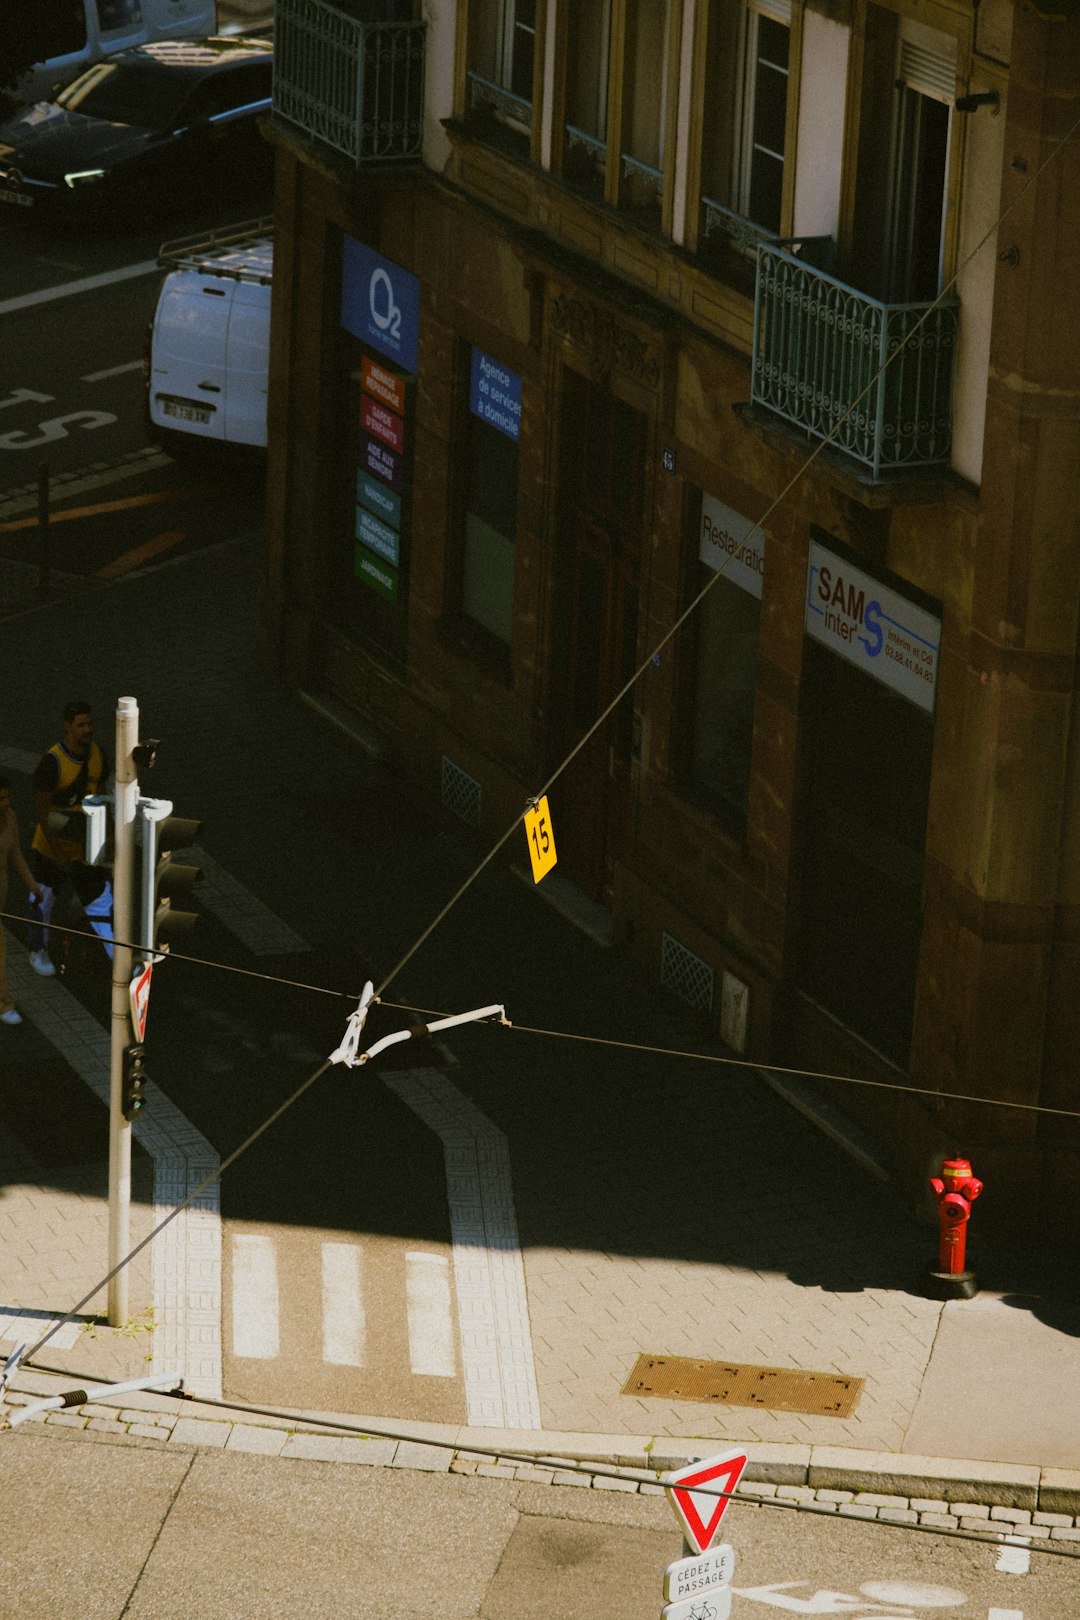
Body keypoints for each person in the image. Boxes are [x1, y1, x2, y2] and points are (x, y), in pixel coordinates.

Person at [27, 700, 113, 976]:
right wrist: (58, 853)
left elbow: (102, 798)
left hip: (86, 846)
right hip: (52, 850)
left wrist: (109, 837)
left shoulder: (99, 754)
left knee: (100, 898)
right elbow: (42, 813)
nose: (88, 729)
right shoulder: (52, 762)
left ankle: (117, 954)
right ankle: (37, 950)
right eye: (81, 725)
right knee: (43, 899)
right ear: (68, 727)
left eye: (90, 723)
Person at [0, 776, 45, 1025]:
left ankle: (3, 1003)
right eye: (0, 799)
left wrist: (32, 885)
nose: (6, 803)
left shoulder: (11, 818)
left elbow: (16, 854)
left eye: (8, 797)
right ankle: (4, 1002)